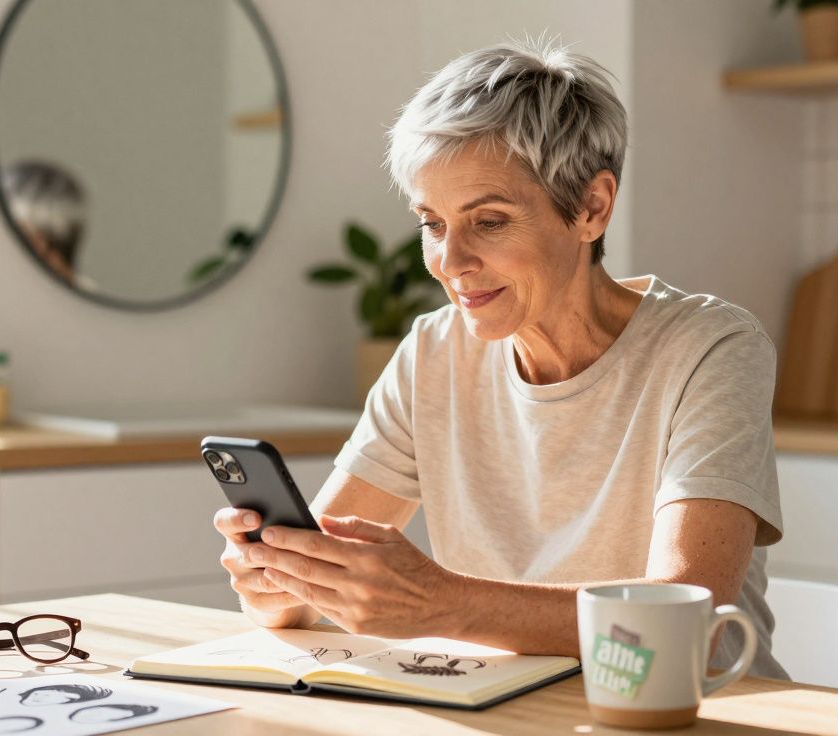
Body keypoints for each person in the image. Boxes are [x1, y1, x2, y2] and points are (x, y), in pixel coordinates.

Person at [213, 38, 787, 678]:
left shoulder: (710, 350)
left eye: (488, 222)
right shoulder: (433, 353)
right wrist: (274, 580)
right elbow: (304, 595)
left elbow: (684, 629)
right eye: (433, 223)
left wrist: (441, 604)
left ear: (591, 208)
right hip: (512, 711)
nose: (450, 263)